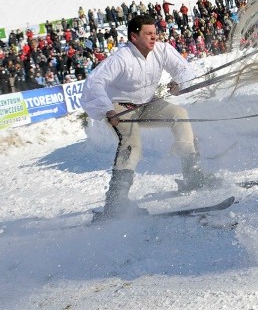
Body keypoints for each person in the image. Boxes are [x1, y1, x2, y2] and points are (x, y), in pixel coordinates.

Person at [81, 15, 220, 222]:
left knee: (179, 115)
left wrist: (179, 83)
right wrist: (108, 110)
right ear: (134, 36)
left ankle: (192, 174)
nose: (154, 38)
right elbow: (94, 83)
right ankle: (116, 202)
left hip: (146, 103)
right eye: (148, 34)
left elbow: (184, 70)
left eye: (155, 33)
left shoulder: (161, 50)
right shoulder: (121, 58)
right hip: (120, 107)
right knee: (132, 142)